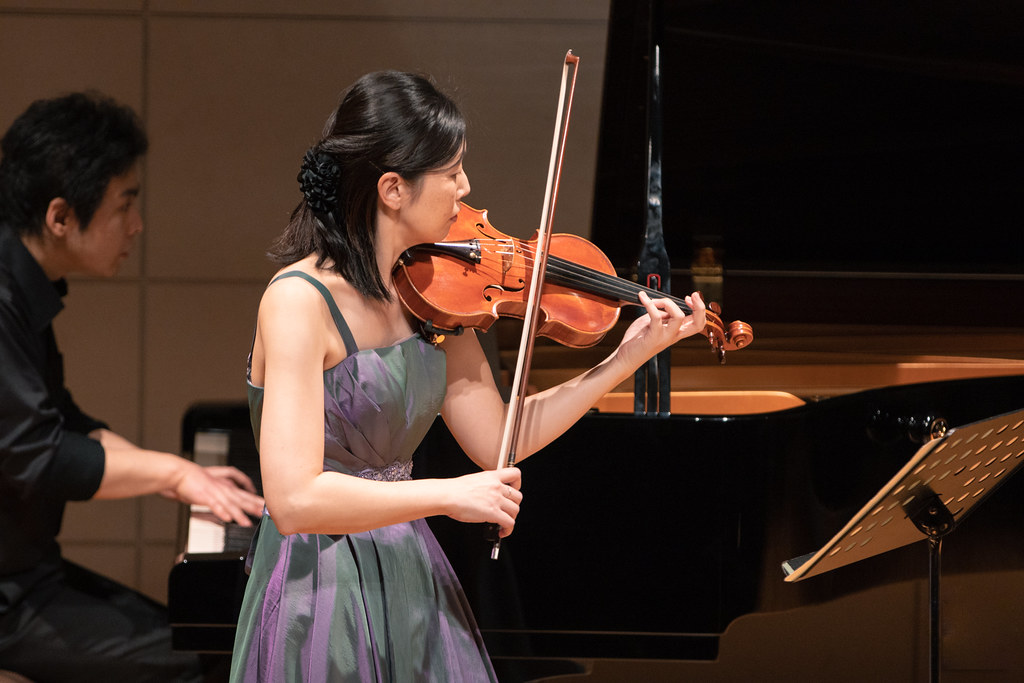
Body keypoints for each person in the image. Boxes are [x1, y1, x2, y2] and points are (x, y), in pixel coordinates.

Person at [230, 70, 707, 682]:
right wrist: (450, 495)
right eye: (451, 171)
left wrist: (623, 359)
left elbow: (500, 438)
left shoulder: (435, 292)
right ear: (393, 189)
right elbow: (295, 500)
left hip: (405, 566)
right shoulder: (298, 302)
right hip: (315, 586)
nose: (466, 187)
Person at [0, 91, 266, 682]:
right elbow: (37, 457)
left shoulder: (20, 285)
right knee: (199, 664)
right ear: (61, 217)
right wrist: (173, 475)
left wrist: (173, 470)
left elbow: (62, 421)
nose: (137, 225)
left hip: (27, 576)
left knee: (203, 643)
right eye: (125, 205)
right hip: (9, 597)